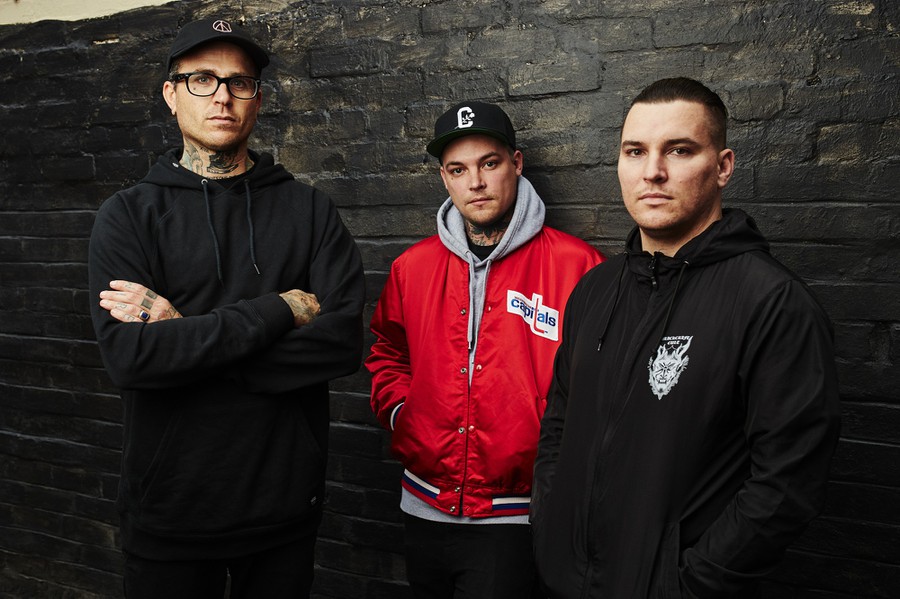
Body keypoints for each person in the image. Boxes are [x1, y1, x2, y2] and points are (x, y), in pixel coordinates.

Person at [531, 77, 842, 598]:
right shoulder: (596, 288)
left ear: (723, 167)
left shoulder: (772, 303)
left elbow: (786, 485)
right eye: (635, 151)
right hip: (564, 581)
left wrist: (685, 585)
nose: (652, 171)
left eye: (678, 150)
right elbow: (560, 420)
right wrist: (549, 527)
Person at [87, 17, 365, 598]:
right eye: (203, 79)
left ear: (257, 99)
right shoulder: (128, 215)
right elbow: (131, 359)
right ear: (171, 94)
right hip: (170, 512)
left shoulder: (310, 210)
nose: (222, 96)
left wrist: (184, 333)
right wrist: (277, 312)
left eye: (239, 82)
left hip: (283, 507)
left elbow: (341, 342)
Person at [366, 101, 604, 598]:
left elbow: (601, 384)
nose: (475, 182)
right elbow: (388, 352)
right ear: (444, 178)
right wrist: (405, 415)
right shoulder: (412, 267)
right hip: (423, 506)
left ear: (516, 164)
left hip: (518, 514)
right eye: (458, 169)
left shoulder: (576, 265)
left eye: (489, 163)